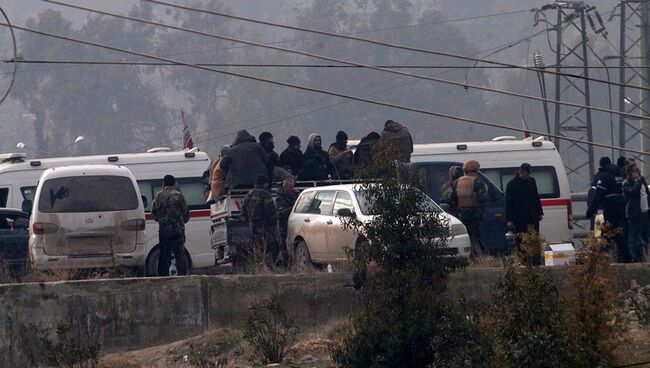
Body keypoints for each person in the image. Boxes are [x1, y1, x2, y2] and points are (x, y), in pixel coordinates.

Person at [587, 159, 628, 262]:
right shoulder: (618, 175)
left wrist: (590, 211)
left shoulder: (604, 176)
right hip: (621, 208)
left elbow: (598, 195)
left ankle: (601, 259)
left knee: (607, 234)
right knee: (617, 234)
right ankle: (624, 257)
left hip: (610, 209)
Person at [152, 175, 191, 276]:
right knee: (179, 252)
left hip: (164, 229)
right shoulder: (179, 195)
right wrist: (182, 221)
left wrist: (161, 220)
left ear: (164, 183)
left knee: (164, 253)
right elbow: (186, 212)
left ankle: (163, 275)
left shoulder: (158, 196)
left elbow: (154, 213)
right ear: (174, 183)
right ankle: (182, 274)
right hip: (177, 229)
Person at [450, 160, 488, 258]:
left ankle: (468, 256)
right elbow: (483, 198)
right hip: (475, 215)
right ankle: (478, 256)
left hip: (461, 215)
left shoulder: (456, 182)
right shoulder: (478, 182)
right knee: (475, 238)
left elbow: (452, 199)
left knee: (466, 237)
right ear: (475, 170)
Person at [241, 174, 279, 267]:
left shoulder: (249, 194)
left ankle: (257, 264)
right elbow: (270, 210)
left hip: (252, 224)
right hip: (264, 224)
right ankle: (267, 265)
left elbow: (243, 210)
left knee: (257, 244)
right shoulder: (265, 194)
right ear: (264, 184)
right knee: (271, 245)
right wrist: (274, 218)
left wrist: (248, 219)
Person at [505, 163, 544, 243]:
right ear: (520, 172)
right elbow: (508, 202)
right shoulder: (512, 184)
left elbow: (536, 197)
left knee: (534, 238)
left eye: (528, 175)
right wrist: (509, 219)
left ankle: (534, 255)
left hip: (533, 215)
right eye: (525, 175)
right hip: (519, 217)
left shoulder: (532, 181)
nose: (527, 177)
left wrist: (540, 212)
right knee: (521, 239)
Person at [622, 164, 650, 262]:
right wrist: (638, 182)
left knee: (646, 236)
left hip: (645, 212)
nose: (638, 174)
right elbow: (632, 191)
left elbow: (646, 194)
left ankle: (646, 256)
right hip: (634, 214)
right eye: (635, 172)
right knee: (635, 238)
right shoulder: (627, 182)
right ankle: (636, 259)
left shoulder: (641, 181)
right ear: (630, 173)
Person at [276, 177, 300, 263]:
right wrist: (293, 208)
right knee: (283, 244)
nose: (292, 189)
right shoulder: (279, 197)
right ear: (285, 187)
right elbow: (280, 211)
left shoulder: (296, 194)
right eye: (290, 187)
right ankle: (285, 262)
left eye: (293, 187)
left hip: (295, 222)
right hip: (284, 223)